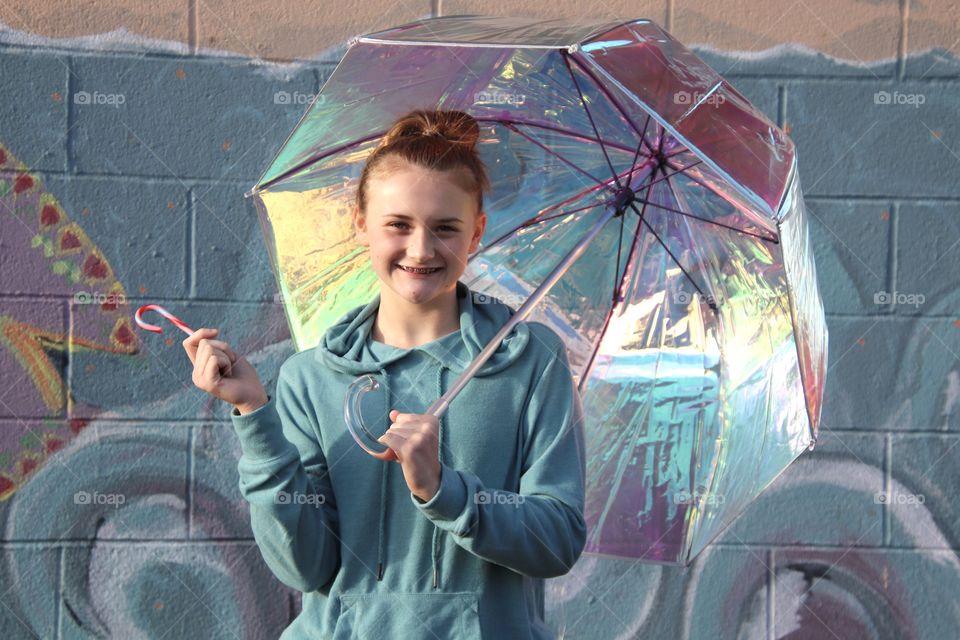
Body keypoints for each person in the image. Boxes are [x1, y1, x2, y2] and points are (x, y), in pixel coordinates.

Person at [183, 108, 587, 639]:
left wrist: (445, 490)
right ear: (361, 225)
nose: (420, 249)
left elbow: (557, 540)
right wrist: (254, 415)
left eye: (446, 228)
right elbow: (302, 566)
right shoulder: (311, 377)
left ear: (477, 232)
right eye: (398, 224)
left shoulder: (531, 361)